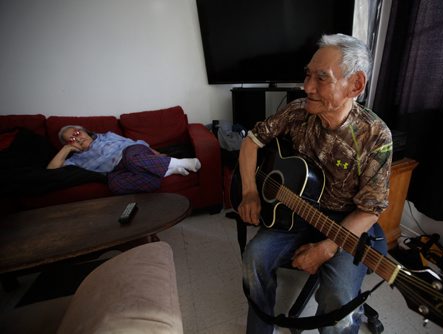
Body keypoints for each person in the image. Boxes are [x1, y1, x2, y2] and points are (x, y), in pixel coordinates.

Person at [236, 34, 393, 333]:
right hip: (295, 210)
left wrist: (326, 248)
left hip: (344, 223)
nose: (306, 87)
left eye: (322, 78)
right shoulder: (297, 111)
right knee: (253, 258)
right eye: (308, 75)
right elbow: (250, 142)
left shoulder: (375, 135)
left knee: (339, 297)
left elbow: (370, 210)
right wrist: (249, 191)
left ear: (355, 85)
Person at [47, 125, 201, 194]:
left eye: (76, 133)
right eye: (71, 140)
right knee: (115, 185)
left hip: (132, 153)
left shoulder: (105, 136)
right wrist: (66, 149)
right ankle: (170, 170)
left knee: (131, 158)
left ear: (84, 131)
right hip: (118, 170)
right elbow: (51, 172)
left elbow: (133, 143)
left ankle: (183, 162)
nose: (77, 139)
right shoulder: (76, 160)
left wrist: (156, 154)